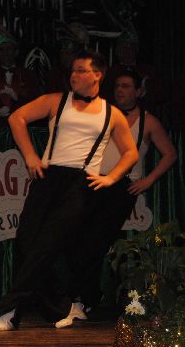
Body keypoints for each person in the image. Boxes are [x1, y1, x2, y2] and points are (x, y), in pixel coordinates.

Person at [0, 49, 138, 331]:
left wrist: (110, 178)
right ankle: (60, 307)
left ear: (98, 75)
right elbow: (16, 118)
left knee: (48, 244)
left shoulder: (112, 114)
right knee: (27, 241)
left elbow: (131, 153)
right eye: (73, 70)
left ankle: (9, 310)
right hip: (48, 176)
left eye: (81, 70)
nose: (74, 75)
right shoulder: (57, 100)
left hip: (81, 183)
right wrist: (30, 157)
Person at [55, 69, 178, 321]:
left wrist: (148, 180)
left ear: (139, 91)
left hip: (121, 188)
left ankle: (79, 299)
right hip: (92, 181)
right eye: (118, 86)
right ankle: (86, 295)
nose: (120, 90)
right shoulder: (104, 114)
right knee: (74, 237)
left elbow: (170, 154)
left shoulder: (148, 122)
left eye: (126, 86)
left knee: (96, 241)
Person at [0, 28, 40, 126]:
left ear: (16, 52)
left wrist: (18, 98)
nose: (5, 53)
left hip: (23, 128)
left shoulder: (28, 75)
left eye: (9, 48)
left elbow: (37, 102)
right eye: (1, 49)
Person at [103, 28, 165, 117]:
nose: (127, 51)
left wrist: (145, 91)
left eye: (130, 47)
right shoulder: (110, 73)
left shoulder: (148, 71)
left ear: (136, 50)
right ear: (117, 51)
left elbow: (161, 95)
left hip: (144, 117)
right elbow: (105, 97)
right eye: (123, 48)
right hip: (117, 116)